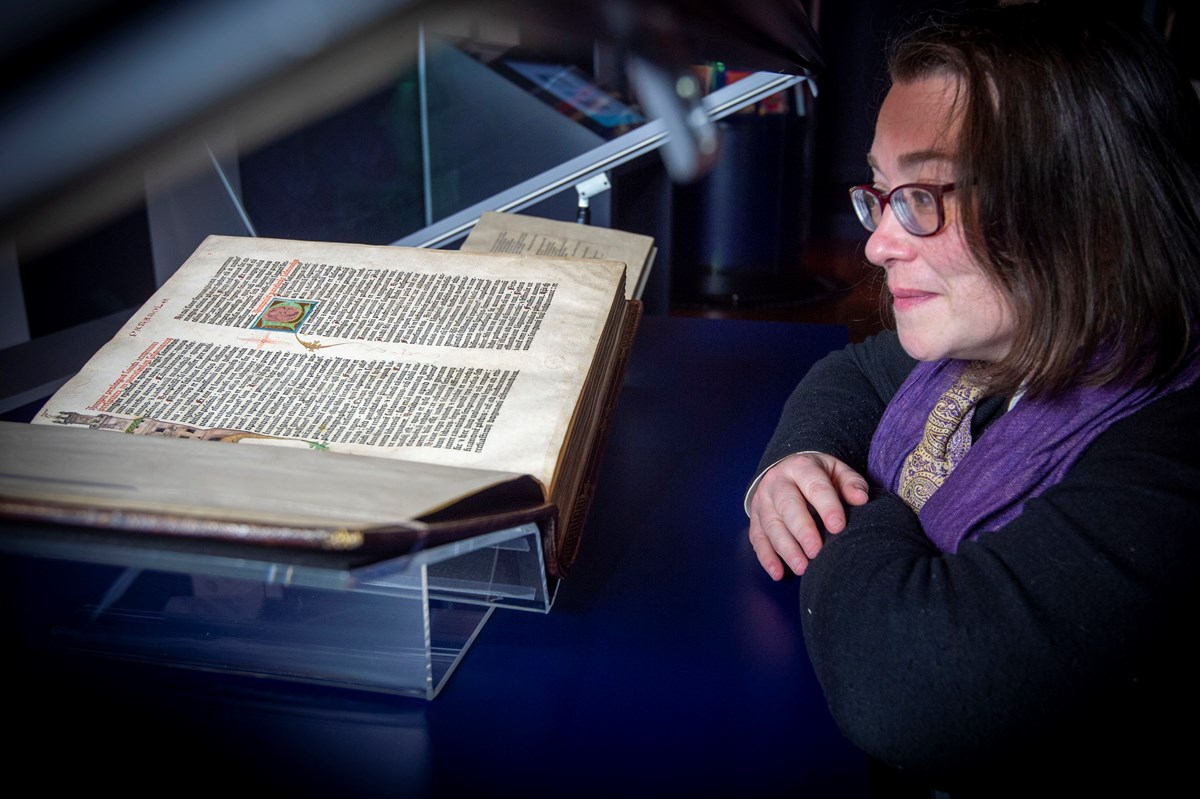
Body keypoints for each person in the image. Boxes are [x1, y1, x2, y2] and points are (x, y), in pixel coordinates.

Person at [744, 2, 1200, 796]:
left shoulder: (1169, 464)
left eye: (923, 197)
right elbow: (853, 376)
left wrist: (845, 505)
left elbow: (908, 688)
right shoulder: (1019, 334)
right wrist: (797, 461)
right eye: (881, 194)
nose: (877, 243)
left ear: (1084, 206)